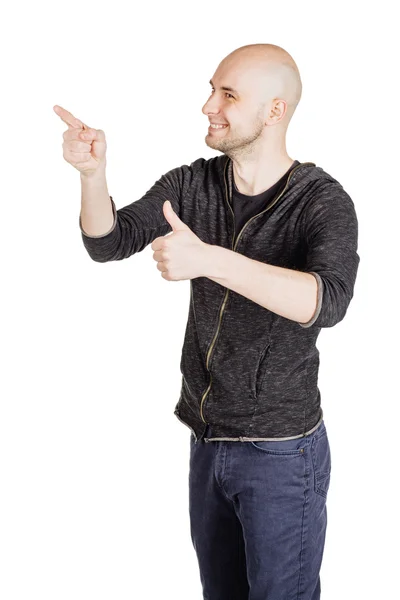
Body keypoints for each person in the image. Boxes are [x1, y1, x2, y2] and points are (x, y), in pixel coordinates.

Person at [54, 43, 360, 599]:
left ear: (274, 111)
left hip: (281, 453)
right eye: (211, 89)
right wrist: (92, 175)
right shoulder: (192, 185)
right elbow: (108, 242)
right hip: (207, 441)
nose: (207, 106)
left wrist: (212, 261)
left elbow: (329, 300)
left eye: (228, 94)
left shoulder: (322, 201)